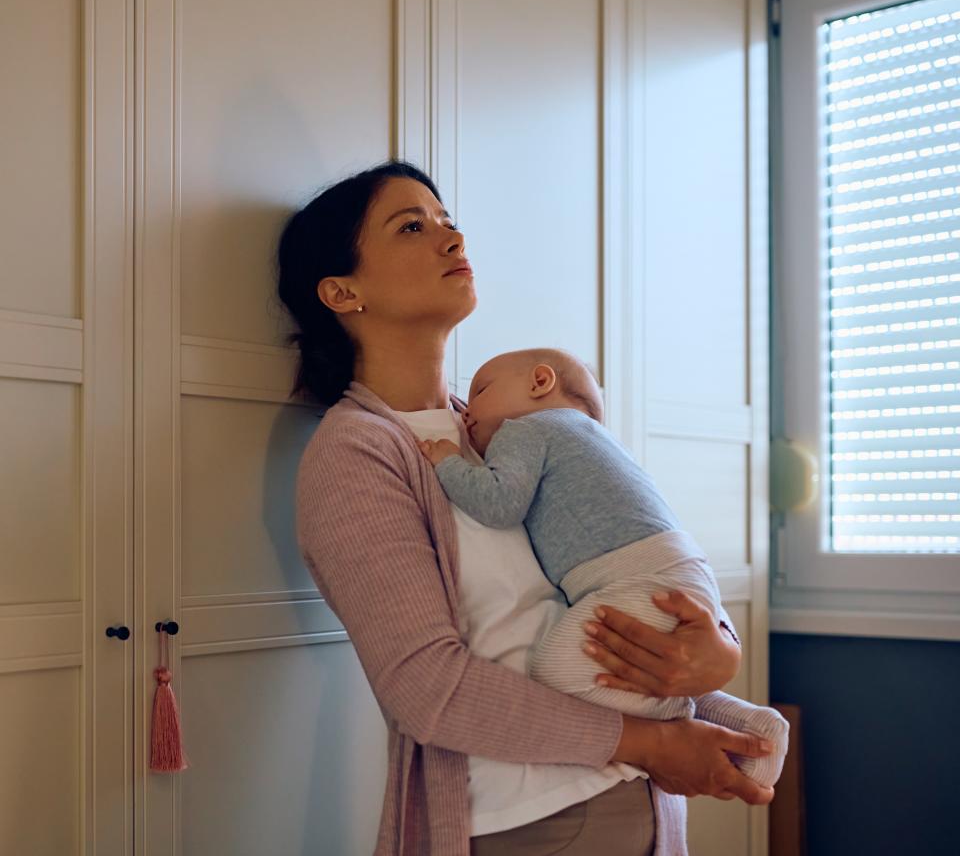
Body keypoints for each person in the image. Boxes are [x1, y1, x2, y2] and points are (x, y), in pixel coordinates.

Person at [277, 160, 775, 856]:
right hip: (531, 821)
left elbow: (628, 552)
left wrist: (712, 649)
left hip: (641, 800)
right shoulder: (355, 454)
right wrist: (657, 741)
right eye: (413, 226)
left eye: (449, 221)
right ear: (341, 291)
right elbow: (427, 687)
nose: (452, 239)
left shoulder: (515, 428)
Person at [416, 347, 789, 788]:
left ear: (540, 382)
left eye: (479, 390)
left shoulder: (526, 429)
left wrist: (447, 462)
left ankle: (681, 720)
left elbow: (499, 504)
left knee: (554, 672)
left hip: (635, 576)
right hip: (679, 571)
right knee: (655, 663)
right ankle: (754, 728)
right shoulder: (592, 441)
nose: (467, 410)